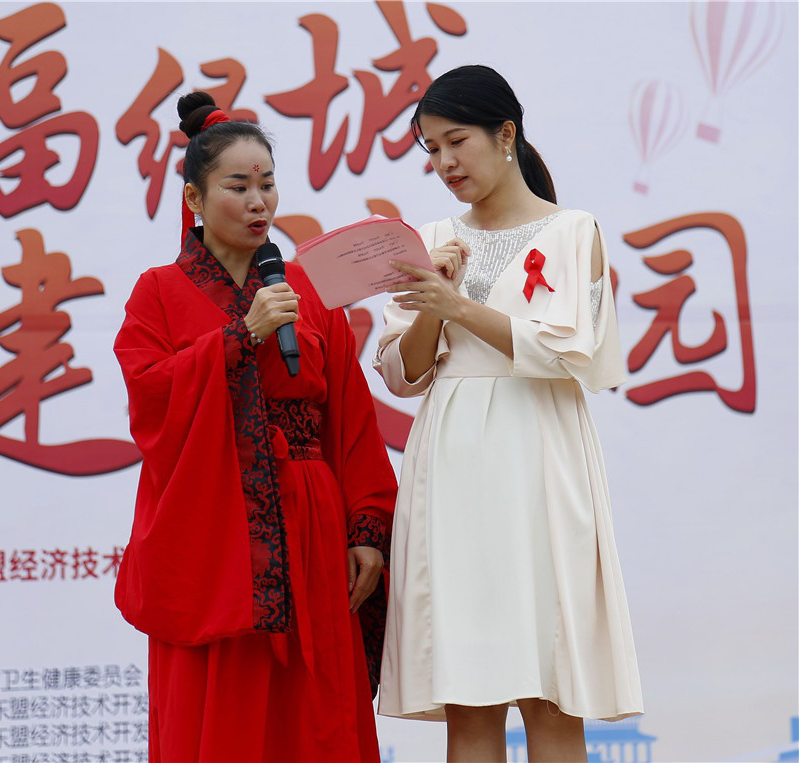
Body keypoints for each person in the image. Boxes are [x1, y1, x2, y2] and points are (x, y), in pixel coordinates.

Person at [114, 92, 397, 762]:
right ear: (194, 198)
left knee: (314, 709)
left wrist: (366, 529)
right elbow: (151, 398)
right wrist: (240, 338)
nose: (257, 202)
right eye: (237, 186)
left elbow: (350, 416)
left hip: (312, 526)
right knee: (227, 707)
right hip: (215, 531)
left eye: (267, 185)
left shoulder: (305, 289)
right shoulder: (158, 291)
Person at [374, 65, 643, 763]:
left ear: (506, 134)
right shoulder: (431, 238)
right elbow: (402, 373)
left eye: (456, 141)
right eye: (431, 149)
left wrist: (459, 306)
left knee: (553, 698)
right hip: (452, 464)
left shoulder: (574, 231)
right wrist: (435, 302)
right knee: (470, 702)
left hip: (542, 459)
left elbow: (572, 353)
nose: (445, 162)